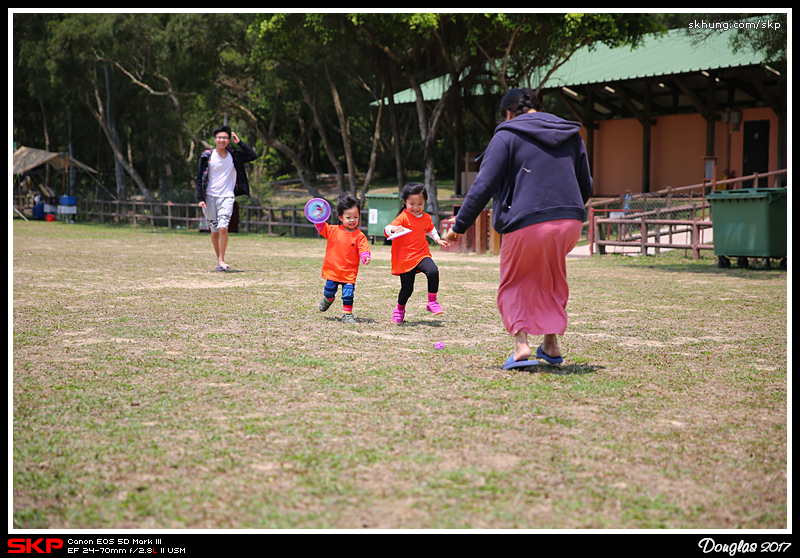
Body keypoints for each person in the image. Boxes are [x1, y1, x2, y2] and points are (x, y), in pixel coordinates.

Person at [443, 88, 593, 369]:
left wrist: (460, 225)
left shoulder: (507, 134)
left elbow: (484, 185)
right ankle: (550, 344)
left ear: (507, 114)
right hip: (570, 221)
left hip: (526, 223)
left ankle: (522, 346)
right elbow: (586, 184)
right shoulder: (570, 133)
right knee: (551, 278)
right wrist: (563, 210)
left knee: (515, 281)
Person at [385, 183, 449, 324]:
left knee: (433, 271)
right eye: (412, 203)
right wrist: (395, 230)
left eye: (420, 203)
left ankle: (432, 302)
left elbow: (430, 229)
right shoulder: (403, 217)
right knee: (407, 289)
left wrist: (438, 239)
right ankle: (399, 309)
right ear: (405, 202)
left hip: (421, 254)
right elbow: (387, 228)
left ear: (425, 202)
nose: (416, 207)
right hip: (405, 258)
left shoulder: (426, 217)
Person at [196, 125, 258, 271]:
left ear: (229, 140)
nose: (222, 140)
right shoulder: (207, 156)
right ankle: (219, 260)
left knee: (223, 228)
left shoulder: (234, 154)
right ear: (214, 139)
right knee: (214, 230)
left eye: (225, 137)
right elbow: (199, 178)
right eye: (219, 137)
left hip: (227, 196)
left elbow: (253, 155)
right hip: (210, 197)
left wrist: (240, 142)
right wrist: (200, 198)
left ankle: (222, 260)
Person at [316, 194, 371, 324]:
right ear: (340, 217)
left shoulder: (360, 236)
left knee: (348, 294)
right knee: (329, 291)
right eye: (348, 217)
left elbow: (364, 249)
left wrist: (365, 257)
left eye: (355, 217)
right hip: (333, 270)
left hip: (349, 272)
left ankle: (347, 314)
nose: (352, 220)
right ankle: (328, 299)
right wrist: (317, 216)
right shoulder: (332, 230)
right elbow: (321, 227)